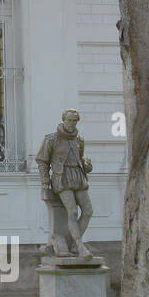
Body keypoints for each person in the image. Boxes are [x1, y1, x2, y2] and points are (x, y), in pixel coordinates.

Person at [35, 109, 94, 257]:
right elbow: (42, 161)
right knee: (72, 211)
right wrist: (45, 181)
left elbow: (80, 158)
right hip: (61, 177)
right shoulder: (51, 139)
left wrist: (87, 165)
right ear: (63, 120)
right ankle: (80, 246)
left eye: (74, 121)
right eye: (69, 120)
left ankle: (74, 244)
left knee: (88, 211)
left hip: (78, 176)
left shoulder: (79, 139)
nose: (71, 123)